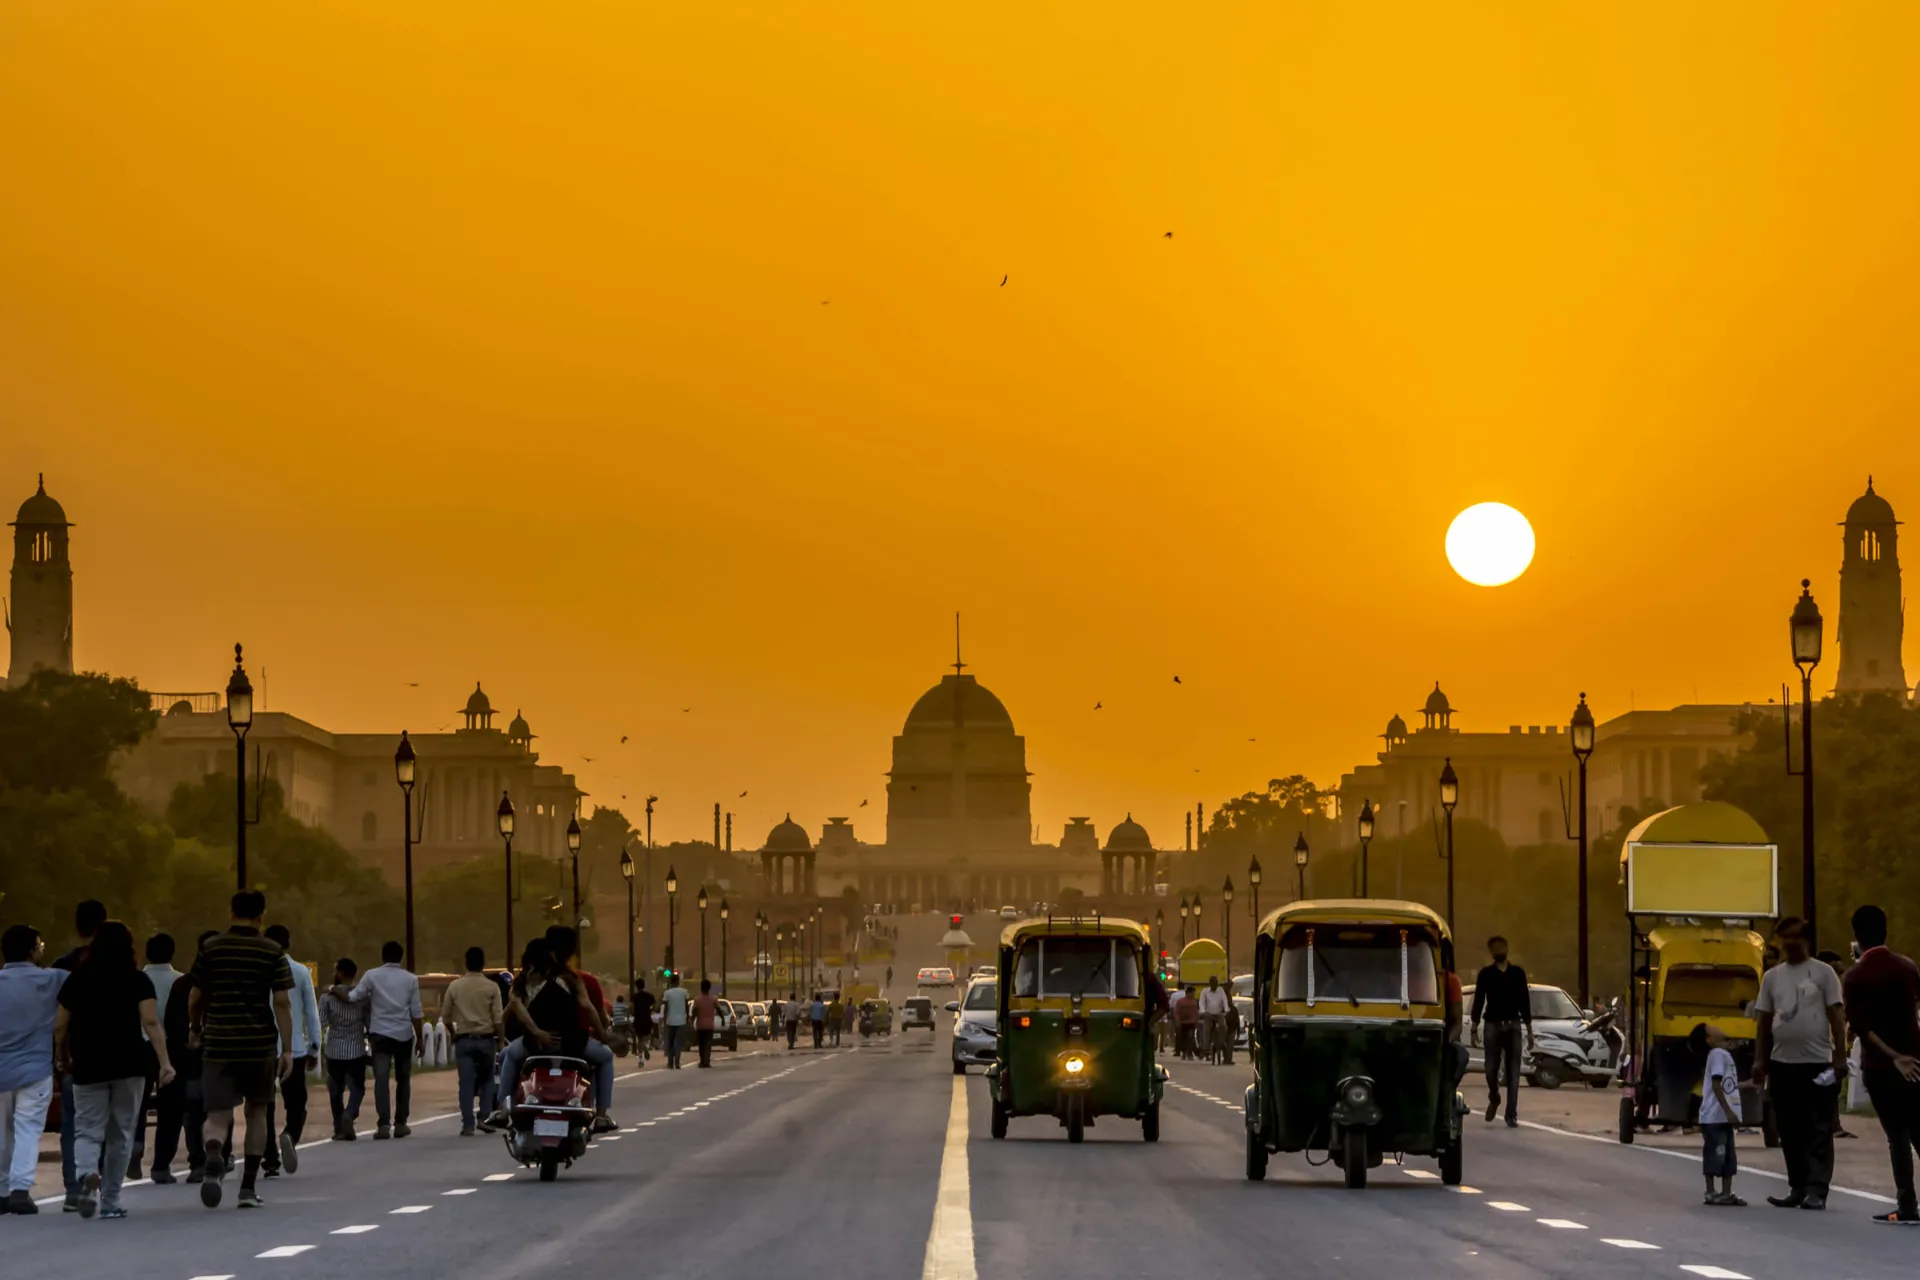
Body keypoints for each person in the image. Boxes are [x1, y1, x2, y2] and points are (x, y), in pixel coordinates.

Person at [54, 921, 173, 1220]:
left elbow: (59, 1025)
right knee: (121, 1132)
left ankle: (87, 1174)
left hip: (88, 1064)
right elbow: (150, 1022)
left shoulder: (77, 981)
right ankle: (110, 1200)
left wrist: (62, 1056)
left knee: (87, 1130)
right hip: (130, 1064)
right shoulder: (137, 981)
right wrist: (165, 1061)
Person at [190, 891, 294, 1210]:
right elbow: (281, 1002)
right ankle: (248, 1187)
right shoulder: (272, 951)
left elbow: (196, 995)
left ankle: (212, 1153)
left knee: (218, 1113)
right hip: (258, 1044)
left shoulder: (211, 947)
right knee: (257, 1112)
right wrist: (287, 1049)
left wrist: (196, 1028)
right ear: (261, 916)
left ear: (230, 912)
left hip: (219, 1042)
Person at [1752, 916, 1847, 1211]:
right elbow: (1764, 1020)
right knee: (1789, 1129)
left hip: (1817, 1063)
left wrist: (1841, 1057)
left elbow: (1836, 1016)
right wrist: (1760, 1059)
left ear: (1806, 940)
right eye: (1784, 938)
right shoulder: (1772, 977)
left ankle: (1817, 1190)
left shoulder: (1824, 973)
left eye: (1795, 937)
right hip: (1782, 1063)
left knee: (1817, 1128)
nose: (1789, 944)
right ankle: (1797, 1187)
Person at [1842, 903, 1920, 1225]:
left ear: (1857, 936)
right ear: (1885, 930)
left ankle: (1907, 1204)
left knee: (1897, 1136)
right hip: (1917, 1061)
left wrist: (1893, 1057)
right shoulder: (1908, 967)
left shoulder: (1856, 976)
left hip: (1882, 1066)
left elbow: (1862, 1027)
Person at [1, 923, 67, 1214]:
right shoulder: (53, 980)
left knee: (2, 1132)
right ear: (33, 950)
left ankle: (2, 1190)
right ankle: (19, 1189)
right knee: (28, 1130)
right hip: (36, 1069)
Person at [52, 898, 106, 1212]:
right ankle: (104, 1184)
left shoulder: (63, 966)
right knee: (112, 1123)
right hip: (114, 1055)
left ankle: (75, 1187)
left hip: (75, 1055)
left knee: (74, 1124)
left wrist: (59, 1056)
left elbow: (58, 1019)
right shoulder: (118, 963)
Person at [154, 931, 219, 1183]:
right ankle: (208, 1158)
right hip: (214, 1057)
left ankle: (177, 1163)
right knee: (211, 1111)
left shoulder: (181, 984)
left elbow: (170, 1022)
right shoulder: (224, 983)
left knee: (180, 1112)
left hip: (184, 1057)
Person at [259, 924, 320, 1178]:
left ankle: (270, 1159)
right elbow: (310, 1011)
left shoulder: (258, 970)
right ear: (288, 943)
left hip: (262, 1047)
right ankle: (289, 1135)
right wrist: (315, 1045)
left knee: (263, 1105)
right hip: (293, 1048)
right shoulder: (300, 972)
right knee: (296, 1103)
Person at [346, 941, 423, 1140]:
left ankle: (383, 1124)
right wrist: (421, 1039)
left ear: (382, 957)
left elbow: (354, 996)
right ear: (401, 957)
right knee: (403, 1079)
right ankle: (401, 1123)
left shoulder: (372, 975)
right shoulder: (411, 979)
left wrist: (336, 990)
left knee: (381, 1079)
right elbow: (416, 1012)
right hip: (404, 1035)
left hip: (379, 1035)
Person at [544, 927, 618, 1132]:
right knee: (605, 1057)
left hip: (539, 1042)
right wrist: (605, 1036)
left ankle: (505, 1108)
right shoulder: (581, 980)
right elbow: (592, 1011)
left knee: (508, 1057)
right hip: (574, 1043)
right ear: (572, 952)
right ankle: (601, 1115)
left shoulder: (534, 977)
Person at [126, 933, 182, 1182]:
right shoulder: (180, 981)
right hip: (170, 1049)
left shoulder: (134, 980)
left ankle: (135, 1145)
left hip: (137, 1047)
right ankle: (161, 1165)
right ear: (172, 953)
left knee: (135, 1104)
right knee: (170, 1109)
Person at [1470, 935, 1534, 1127]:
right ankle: (1494, 1096)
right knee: (1490, 1069)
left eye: (1503, 946)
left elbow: (1525, 1001)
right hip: (1492, 1024)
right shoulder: (1486, 975)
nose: (1500, 950)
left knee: (1514, 1071)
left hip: (1514, 1024)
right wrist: (1474, 1027)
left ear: (1507, 949)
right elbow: (1479, 1001)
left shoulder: (1518, 973)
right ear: (1491, 952)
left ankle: (1511, 1114)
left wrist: (1529, 1030)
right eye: (1496, 948)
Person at [443, 946, 505, 1136]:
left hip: (464, 1039)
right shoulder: (491, 987)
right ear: (483, 964)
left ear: (466, 963)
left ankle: (468, 1123)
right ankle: (484, 1117)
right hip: (486, 1039)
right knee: (487, 1080)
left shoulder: (455, 986)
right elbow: (498, 1018)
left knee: (466, 1083)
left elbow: (445, 1016)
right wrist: (501, 1041)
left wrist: (453, 1032)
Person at [1694, 1023, 1745, 1206]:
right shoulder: (1717, 1055)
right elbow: (1717, 1085)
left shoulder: (1722, 1054)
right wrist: (1729, 1112)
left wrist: (1748, 1086)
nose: (1716, 1025)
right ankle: (1710, 1191)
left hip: (1721, 1117)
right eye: (1711, 1028)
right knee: (1716, 1153)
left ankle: (1726, 1192)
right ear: (1710, 1040)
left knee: (1728, 1155)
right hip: (1715, 1117)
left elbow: (1726, 1085)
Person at [318, 957, 369, 1140]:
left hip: (334, 1050)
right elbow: (368, 1022)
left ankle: (339, 1127)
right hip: (356, 1049)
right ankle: (350, 1113)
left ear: (339, 973)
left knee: (335, 1090)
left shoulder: (326, 998)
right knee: (357, 1088)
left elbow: (321, 1022)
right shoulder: (362, 997)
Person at [660, 972, 691, 1069]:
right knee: (678, 1043)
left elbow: (665, 1007)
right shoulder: (684, 992)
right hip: (681, 1021)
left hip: (670, 1021)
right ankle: (677, 1062)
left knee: (670, 1043)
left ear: (670, 981)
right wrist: (688, 1017)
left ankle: (670, 1063)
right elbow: (687, 1005)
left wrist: (664, 1020)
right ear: (678, 981)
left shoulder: (667, 993)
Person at [1198, 976, 1232, 1065]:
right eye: (1213, 984)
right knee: (1206, 1030)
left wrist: (1226, 1010)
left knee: (1223, 1027)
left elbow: (1225, 1001)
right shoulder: (1205, 991)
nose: (1214, 986)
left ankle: (1222, 1042)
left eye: (1216, 984)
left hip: (1219, 1014)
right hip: (1208, 1014)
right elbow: (1201, 1002)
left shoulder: (1221, 991)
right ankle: (1206, 1048)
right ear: (1210, 984)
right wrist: (1203, 1012)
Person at [693, 979, 720, 1068]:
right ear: (709, 988)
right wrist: (722, 1018)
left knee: (701, 1044)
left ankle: (702, 1061)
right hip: (709, 1025)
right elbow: (719, 1010)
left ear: (701, 988)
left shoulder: (697, 999)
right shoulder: (713, 999)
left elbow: (695, 1012)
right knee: (708, 1044)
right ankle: (706, 1061)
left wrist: (691, 1020)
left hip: (700, 1025)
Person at [631, 978, 656, 1063]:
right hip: (647, 1019)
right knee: (646, 1037)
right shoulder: (649, 996)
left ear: (636, 986)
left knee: (639, 1038)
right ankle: (645, 1047)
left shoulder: (634, 997)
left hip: (638, 1019)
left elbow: (632, 1009)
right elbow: (653, 1006)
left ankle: (640, 1058)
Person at [1173, 985, 1201, 1060]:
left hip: (1191, 1023)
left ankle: (1189, 1053)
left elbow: (1196, 1013)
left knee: (1190, 1037)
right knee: (1184, 1038)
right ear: (1188, 993)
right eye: (1192, 993)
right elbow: (1176, 1012)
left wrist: (1196, 1023)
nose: (1193, 995)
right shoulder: (1180, 1001)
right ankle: (1184, 1052)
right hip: (1182, 1023)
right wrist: (1177, 1021)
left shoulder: (1194, 1002)